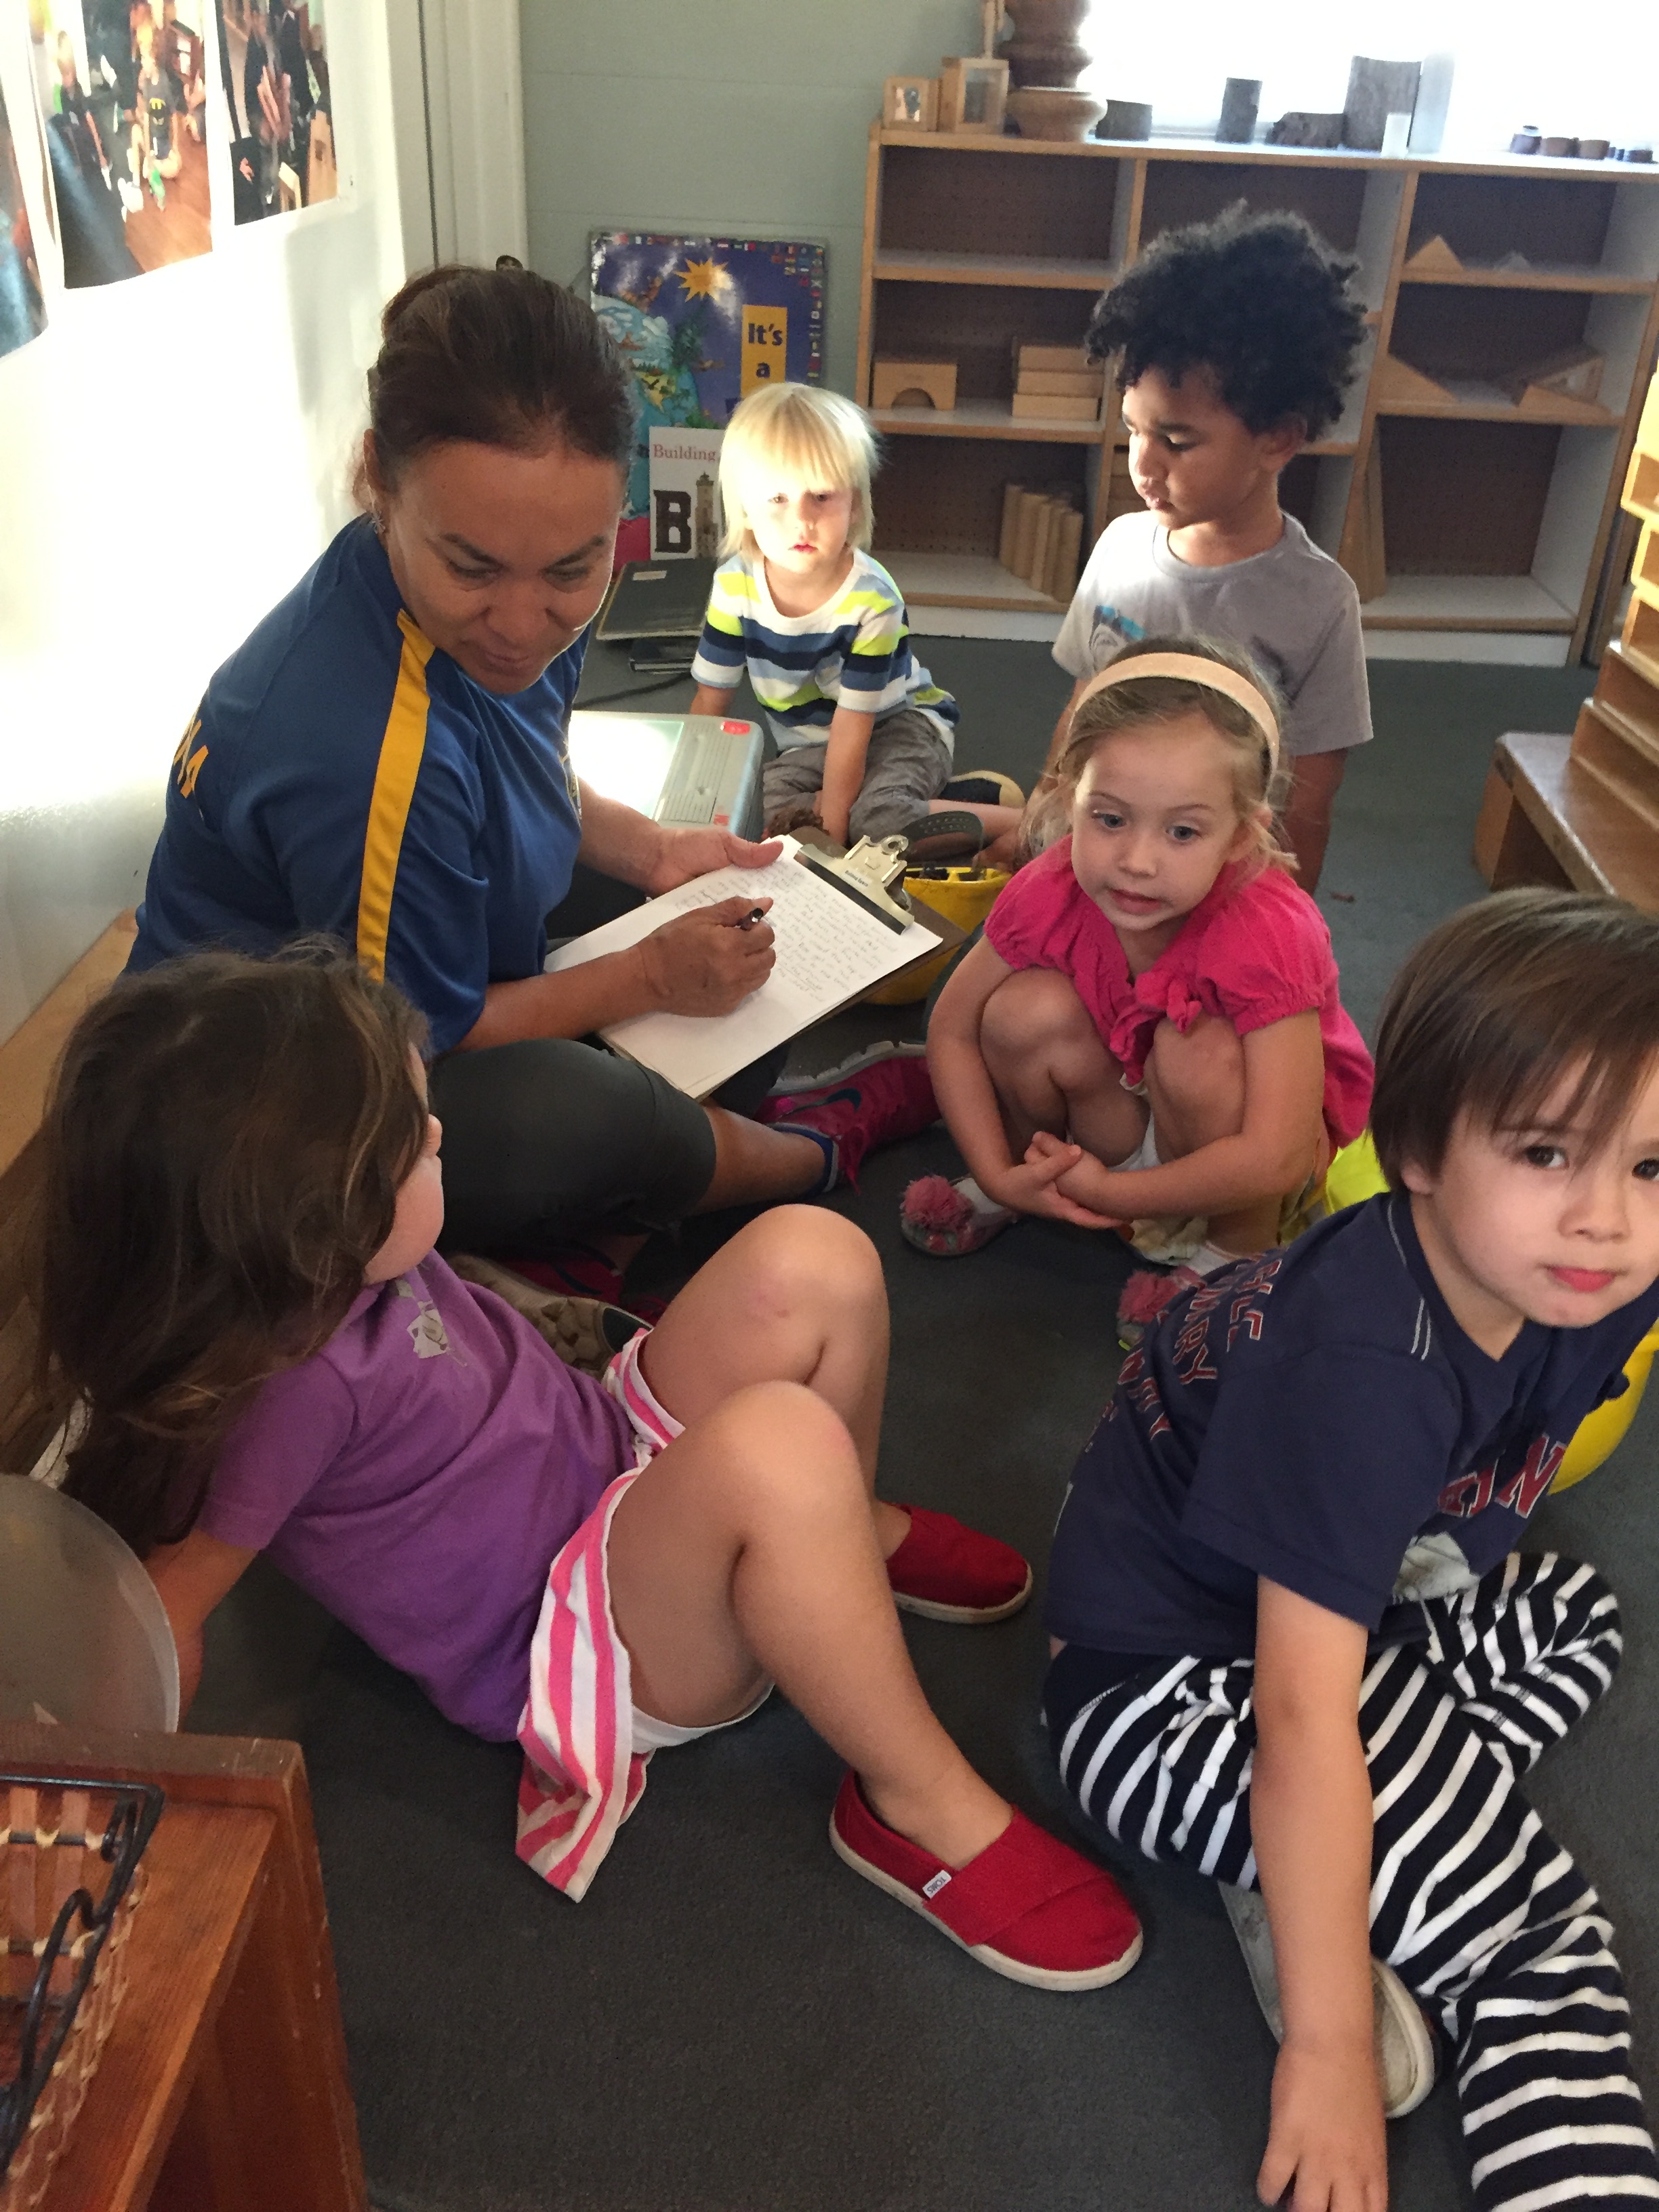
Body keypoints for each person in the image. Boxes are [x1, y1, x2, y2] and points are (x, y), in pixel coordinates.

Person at [31, 946, 1141, 1989]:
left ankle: (842, 1534)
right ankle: (916, 1801)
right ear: (310, 1222)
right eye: (411, 1140)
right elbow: (163, 1613)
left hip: (610, 1456)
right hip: (587, 1638)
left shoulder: (343, 1263)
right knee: (781, 1441)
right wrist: (69, 1844)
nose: (438, 1130)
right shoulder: (281, 1392)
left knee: (817, 1255)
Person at [127, 265, 934, 1288]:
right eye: (472, 568)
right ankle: (811, 1150)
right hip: (276, 1106)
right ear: (379, 480)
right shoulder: (363, 755)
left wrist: (655, 852)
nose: (521, 625)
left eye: (571, 569)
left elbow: (528, 763)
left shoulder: (473, 575)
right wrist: (647, 976)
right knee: (594, 1109)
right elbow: (421, 1039)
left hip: (408, 961)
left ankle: (620, 1210)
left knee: (728, 928)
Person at [1042, 888, 1659, 2212]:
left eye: (1651, 1166)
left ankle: (1353, 1853)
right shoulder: (1365, 1375)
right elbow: (1300, 1712)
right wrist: (1325, 2050)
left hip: (1338, 1617)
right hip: (1160, 1700)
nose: (1608, 1219)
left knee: (1575, 1612)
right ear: (1417, 1150)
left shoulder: (1576, 1261)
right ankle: (1343, 1871)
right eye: (1546, 1152)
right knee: (1538, 1938)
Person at [906, 639, 1372, 1334]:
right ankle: (1039, 1179)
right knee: (1020, 1012)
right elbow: (952, 1028)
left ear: (1242, 837)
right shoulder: (1050, 885)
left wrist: (1115, 1194)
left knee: (1198, 1047)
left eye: (1182, 831)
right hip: (1130, 1105)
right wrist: (998, 1171)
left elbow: (1276, 1153)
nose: (1137, 861)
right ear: (1069, 799)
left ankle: (1235, 1249)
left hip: (1244, 1145)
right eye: (1110, 819)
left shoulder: (1269, 929)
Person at [1009, 208, 1372, 890]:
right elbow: (1082, 716)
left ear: (1278, 440)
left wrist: (1279, 928)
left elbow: (1310, 806)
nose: (1143, 465)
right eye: (1133, 430)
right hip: (1105, 856)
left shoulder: (1320, 603)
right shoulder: (1119, 550)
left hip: (1213, 883)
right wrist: (1038, 826)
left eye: (1176, 442)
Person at [687, 381, 1023, 852]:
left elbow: (853, 728)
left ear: (855, 503)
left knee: (876, 823)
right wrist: (686, 799)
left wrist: (832, 834)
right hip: (808, 745)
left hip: (900, 727)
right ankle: (925, 799)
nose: (802, 520)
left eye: (821, 496)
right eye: (777, 499)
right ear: (745, 507)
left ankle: (1012, 819)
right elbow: (710, 701)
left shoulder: (873, 600)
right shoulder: (733, 587)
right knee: (766, 811)